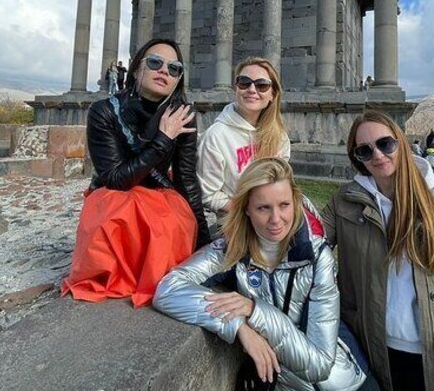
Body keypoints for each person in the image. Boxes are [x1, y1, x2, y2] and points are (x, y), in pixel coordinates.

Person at [322, 111, 434, 390]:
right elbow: (305, 245)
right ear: (356, 158)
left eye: (385, 144)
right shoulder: (344, 204)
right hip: (374, 354)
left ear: (401, 143)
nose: (378, 155)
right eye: (364, 150)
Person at [154, 158, 366, 390]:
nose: (276, 219)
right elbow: (168, 290)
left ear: (295, 202)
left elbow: (319, 365)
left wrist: (255, 311)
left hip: (339, 383)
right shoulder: (231, 249)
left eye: (284, 205)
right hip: (281, 381)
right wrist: (238, 327)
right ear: (246, 209)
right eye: (263, 208)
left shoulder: (317, 257)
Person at [62, 38, 211, 307]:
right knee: (125, 219)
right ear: (135, 69)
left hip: (158, 193)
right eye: (155, 63)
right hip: (114, 195)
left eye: (174, 68)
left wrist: (203, 242)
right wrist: (163, 139)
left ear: (178, 79)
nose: (164, 71)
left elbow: (186, 178)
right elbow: (116, 179)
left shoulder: (183, 115)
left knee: (172, 222)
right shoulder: (104, 111)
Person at [197, 57, 290, 227]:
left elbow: (283, 183)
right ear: (236, 88)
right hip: (237, 226)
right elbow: (208, 194)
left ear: (273, 94)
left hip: (276, 223)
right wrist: (251, 211)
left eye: (262, 85)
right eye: (244, 82)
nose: (252, 89)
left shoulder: (279, 135)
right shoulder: (216, 136)